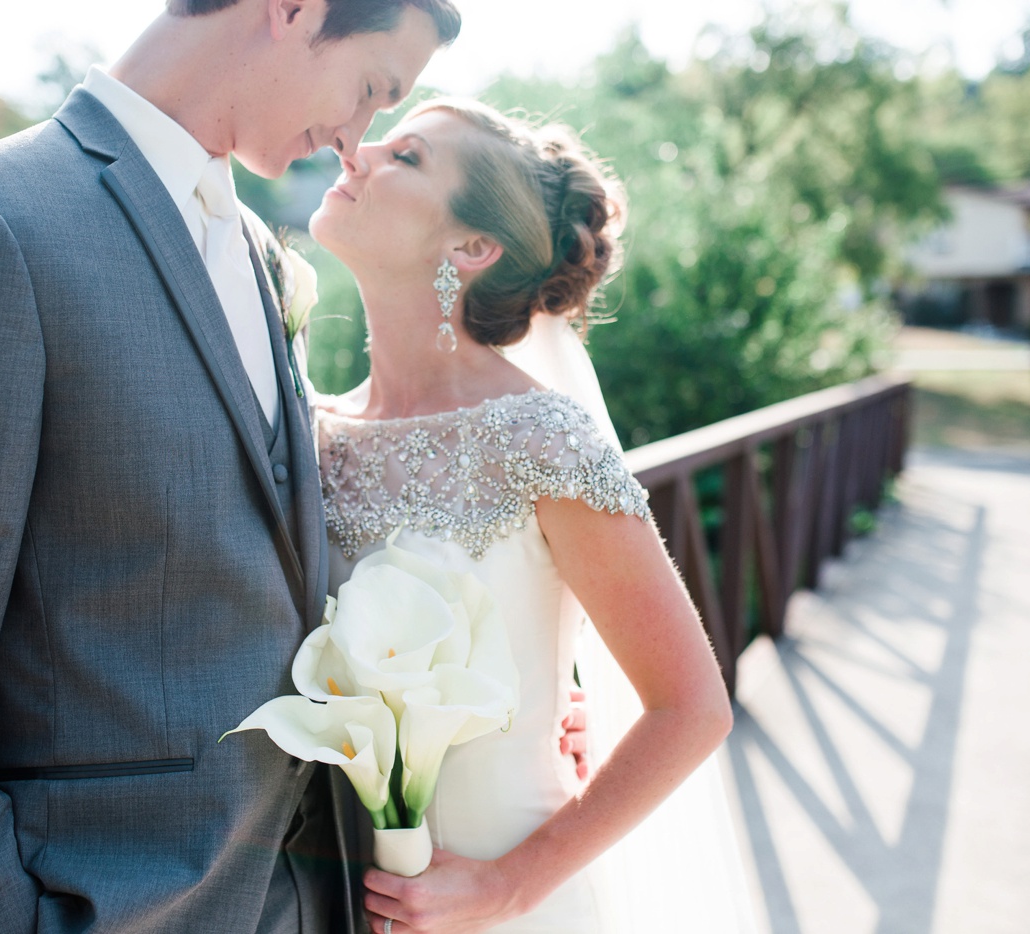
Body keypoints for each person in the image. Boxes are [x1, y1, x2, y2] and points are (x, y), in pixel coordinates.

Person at [0, 2, 459, 932]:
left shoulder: (262, 254)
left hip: (313, 898)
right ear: (293, 10)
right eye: (370, 89)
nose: (357, 140)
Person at [309, 99, 757, 932]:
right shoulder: (312, 432)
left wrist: (507, 888)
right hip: (330, 900)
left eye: (405, 156)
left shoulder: (542, 437)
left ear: (471, 248)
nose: (355, 152)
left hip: (509, 904)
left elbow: (692, 707)